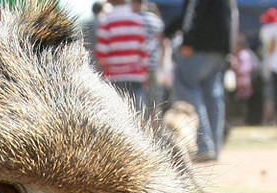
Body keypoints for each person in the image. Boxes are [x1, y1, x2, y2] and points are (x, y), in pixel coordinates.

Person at [164, 0, 238, 162]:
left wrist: (188, 40)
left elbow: (193, 12)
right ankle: (215, 148)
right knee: (213, 96)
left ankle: (203, 146)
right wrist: (230, 50)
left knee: (187, 92)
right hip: (221, 50)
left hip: (197, 48)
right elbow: (232, 19)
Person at [95, 0, 149, 113]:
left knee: (116, 114)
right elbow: (143, 53)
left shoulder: (106, 22)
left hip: (114, 76)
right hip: (136, 75)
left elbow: (101, 55)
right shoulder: (138, 21)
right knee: (137, 114)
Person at [133, 1, 167, 117]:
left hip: (137, 67)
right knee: (155, 101)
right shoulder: (157, 21)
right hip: (153, 65)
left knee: (138, 99)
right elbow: (163, 43)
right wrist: (162, 61)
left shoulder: (135, 19)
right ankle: (156, 129)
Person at [261, 7, 277, 126]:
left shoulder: (266, 29)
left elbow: (270, 48)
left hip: (271, 66)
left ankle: (268, 120)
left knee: (270, 95)